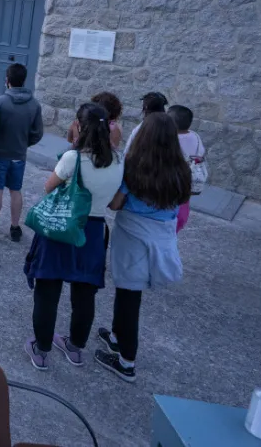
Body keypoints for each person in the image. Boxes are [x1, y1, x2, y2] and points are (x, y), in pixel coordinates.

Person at [23, 102, 123, 371]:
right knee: (85, 294)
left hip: (63, 227)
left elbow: (48, 187)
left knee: (48, 290)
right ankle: (75, 347)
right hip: (93, 231)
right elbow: (115, 202)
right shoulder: (118, 160)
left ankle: (41, 349)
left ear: (80, 126)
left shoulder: (73, 158)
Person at [96, 112, 188, 383]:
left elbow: (115, 204)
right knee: (128, 293)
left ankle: (126, 362)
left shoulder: (134, 166)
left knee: (128, 297)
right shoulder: (180, 170)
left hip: (133, 236)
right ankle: (115, 336)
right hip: (161, 236)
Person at [0, 63, 43, 242]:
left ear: (7, 80)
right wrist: (24, 144)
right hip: (19, 154)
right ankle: (15, 227)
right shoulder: (34, 104)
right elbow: (38, 133)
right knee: (15, 190)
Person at [167, 104, 205, 233]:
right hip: (187, 183)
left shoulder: (171, 139)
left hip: (171, 182)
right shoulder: (195, 136)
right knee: (182, 207)